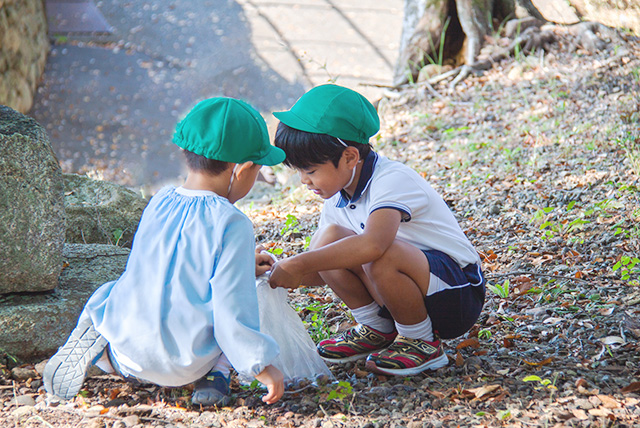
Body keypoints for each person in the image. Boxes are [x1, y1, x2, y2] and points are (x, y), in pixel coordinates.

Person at [43, 97, 286, 405]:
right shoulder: (232, 222)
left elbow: (164, 266)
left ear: (187, 155)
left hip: (130, 352)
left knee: (110, 291)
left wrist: (241, 263)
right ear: (242, 170)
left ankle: (103, 352)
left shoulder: (160, 200)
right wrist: (262, 366)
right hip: (184, 364)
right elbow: (232, 309)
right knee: (249, 298)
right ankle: (217, 375)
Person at [268, 84, 485, 376]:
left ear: (349, 157)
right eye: (299, 171)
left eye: (310, 170)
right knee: (327, 242)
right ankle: (377, 328)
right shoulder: (337, 196)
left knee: (380, 252)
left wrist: (297, 263)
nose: (304, 181)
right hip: (412, 287)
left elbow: (374, 246)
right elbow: (321, 266)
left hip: (456, 294)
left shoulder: (391, 180)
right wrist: (272, 273)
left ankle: (421, 342)